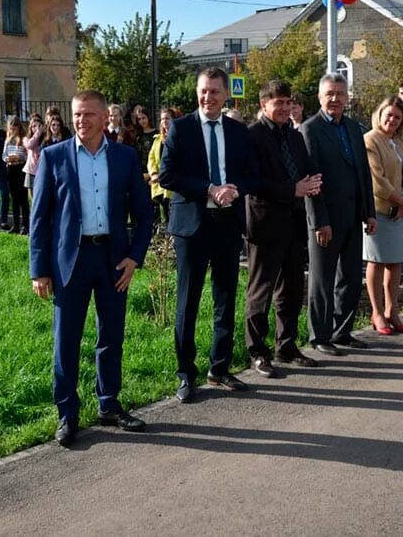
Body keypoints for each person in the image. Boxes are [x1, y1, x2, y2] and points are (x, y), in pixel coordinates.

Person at [30, 90, 154, 447]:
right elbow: (39, 219)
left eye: (88, 114)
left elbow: (144, 213)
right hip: (71, 261)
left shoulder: (125, 157)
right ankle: (67, 414)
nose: (81, 121)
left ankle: (109, 403)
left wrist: (135, 256)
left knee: (111, 335)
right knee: (66, 339)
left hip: (113, 260)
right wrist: (39, 269)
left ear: (105, 117)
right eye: (77, 115)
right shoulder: (54, 158)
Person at [159, 67, 258, 403]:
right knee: (187, 302)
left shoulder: (237, 130)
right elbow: (167, 175)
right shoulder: (182, 128)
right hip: (192, 227)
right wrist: (209, 189)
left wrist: (234, 190)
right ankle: (186, 374)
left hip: (227, 224)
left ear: (226, 94)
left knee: (225, 299)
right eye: (203, 91)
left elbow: (251, 175)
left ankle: (220, 368)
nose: (208, 97)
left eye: (215, 91)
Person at [243, 81, 322, 378]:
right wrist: (293, 188)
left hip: (294, 223)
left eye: (288, 102)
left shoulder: (294, 135)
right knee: (260, 292)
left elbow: (305, 170)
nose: (285, 108)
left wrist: (312, 184)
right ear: (264, 105)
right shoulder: (252, 136)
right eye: (278, 103)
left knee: (291, 289)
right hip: (265, 225)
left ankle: (286, 346)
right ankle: (257, 352)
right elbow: (251, 182)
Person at [300, 73, 377, 355]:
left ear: (347, 97)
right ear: (320, 97)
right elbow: (311, 180)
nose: (335, 99)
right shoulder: (310, 130)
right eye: (329, 93)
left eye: (340, 94)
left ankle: (341, 331)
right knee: (322, 280)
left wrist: (369, 212)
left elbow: (363, 175)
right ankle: (319, 336)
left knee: (350, 279)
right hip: (325, 220)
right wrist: (320, 221)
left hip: (353, 217)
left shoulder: (355, 129)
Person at [363, 96, 403, 335]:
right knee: (376, 260)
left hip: (401, 212)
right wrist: (400, 200)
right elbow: (376, 179)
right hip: (379, 210)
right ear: (380, 114)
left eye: (398, 117)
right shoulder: (370, 140)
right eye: (389, 115)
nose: (392, 120)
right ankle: (376, 312)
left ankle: (392, 311)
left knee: (395, 261)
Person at [147, 108, 174, 226]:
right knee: (163, 215)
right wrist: (153, 173)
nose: (165, 121)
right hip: (159, 184)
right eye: (162, 119)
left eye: (167, 118)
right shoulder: (157, 139)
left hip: (173, 184)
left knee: (173, 214)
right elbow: (151, 158)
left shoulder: (178, 137)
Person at [3, 116, 29, 234]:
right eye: (11, 129)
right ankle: (16, 224)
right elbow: (4, 156)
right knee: (14, 199)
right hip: (11, 169)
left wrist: (19, 157)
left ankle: (25, 225)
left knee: (23, 198)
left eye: (15, 128)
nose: (13, 131)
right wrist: (8, 159)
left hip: (20, 169)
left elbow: (26, 155)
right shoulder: (8, 140)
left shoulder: (23, 139)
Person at [23, 114, 45, 194]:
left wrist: (40, 135)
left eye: (39, 126)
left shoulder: (45, 138)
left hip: (42, 169)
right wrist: (37, 135)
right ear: (30, 128)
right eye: (34, 126)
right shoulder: (26, 138)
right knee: (32, 195)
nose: (37, 128)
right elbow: (29, 145)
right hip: (31, 170)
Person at [134, 106, 159, 178]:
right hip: (140, 173)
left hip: (154, 172)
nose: (142, 121)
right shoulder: (138, 136)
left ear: (148, 117)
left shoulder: (157, 134)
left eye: (144, 118)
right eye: (139, 119)